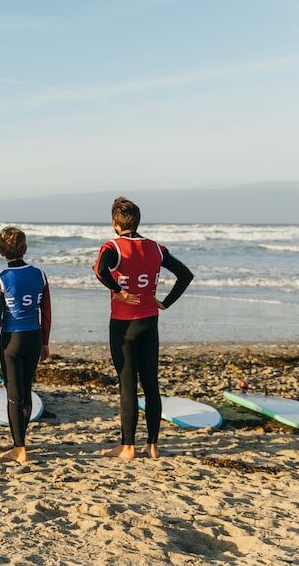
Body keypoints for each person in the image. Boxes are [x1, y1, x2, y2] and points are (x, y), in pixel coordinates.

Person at [93, 197, 193, 459]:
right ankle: (152, 446)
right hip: (150, 322)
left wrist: (119, 291)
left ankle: (127, 447)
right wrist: (166, 303)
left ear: (115, 224)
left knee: (128, 385)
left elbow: (100, 271)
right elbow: (185, 275)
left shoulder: (112, 246)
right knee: (151, 384)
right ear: (137, 221)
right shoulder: (156, 249)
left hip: (123, 326)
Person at [0, 227, 51, 464]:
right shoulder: (40, 275)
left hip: (11, 341)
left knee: (13, 394)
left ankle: (19, 447)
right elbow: (46, 312)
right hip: (33, 337)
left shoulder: (1, 279)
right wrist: (45, 342)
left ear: (1, 251)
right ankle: (21, 440)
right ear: (25, 249)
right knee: (26, 389)